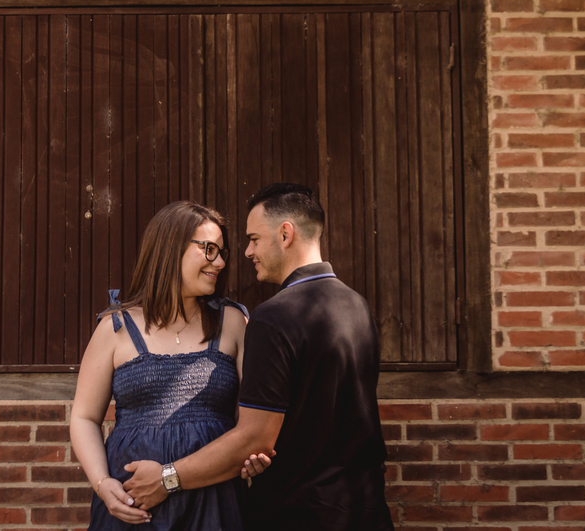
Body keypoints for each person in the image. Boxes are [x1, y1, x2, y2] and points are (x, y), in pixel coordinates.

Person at [122, 183, 395, 531]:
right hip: (366, 511)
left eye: (254, 239)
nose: (248, 252)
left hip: (300, 514)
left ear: (285, 234)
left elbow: (255, 439)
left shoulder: (273, 317)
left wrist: (166, 478)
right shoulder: (356, 305)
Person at [70, 200, 260, 529]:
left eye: (222, 252)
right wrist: (103, 484)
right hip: (133, 505)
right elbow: (84, 417)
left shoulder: (233, 323)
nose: (219, 262)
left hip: (214, 500)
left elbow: (252, 421)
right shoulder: (115, 328)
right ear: (170, 248)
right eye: (209, 249)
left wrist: (252, 459)